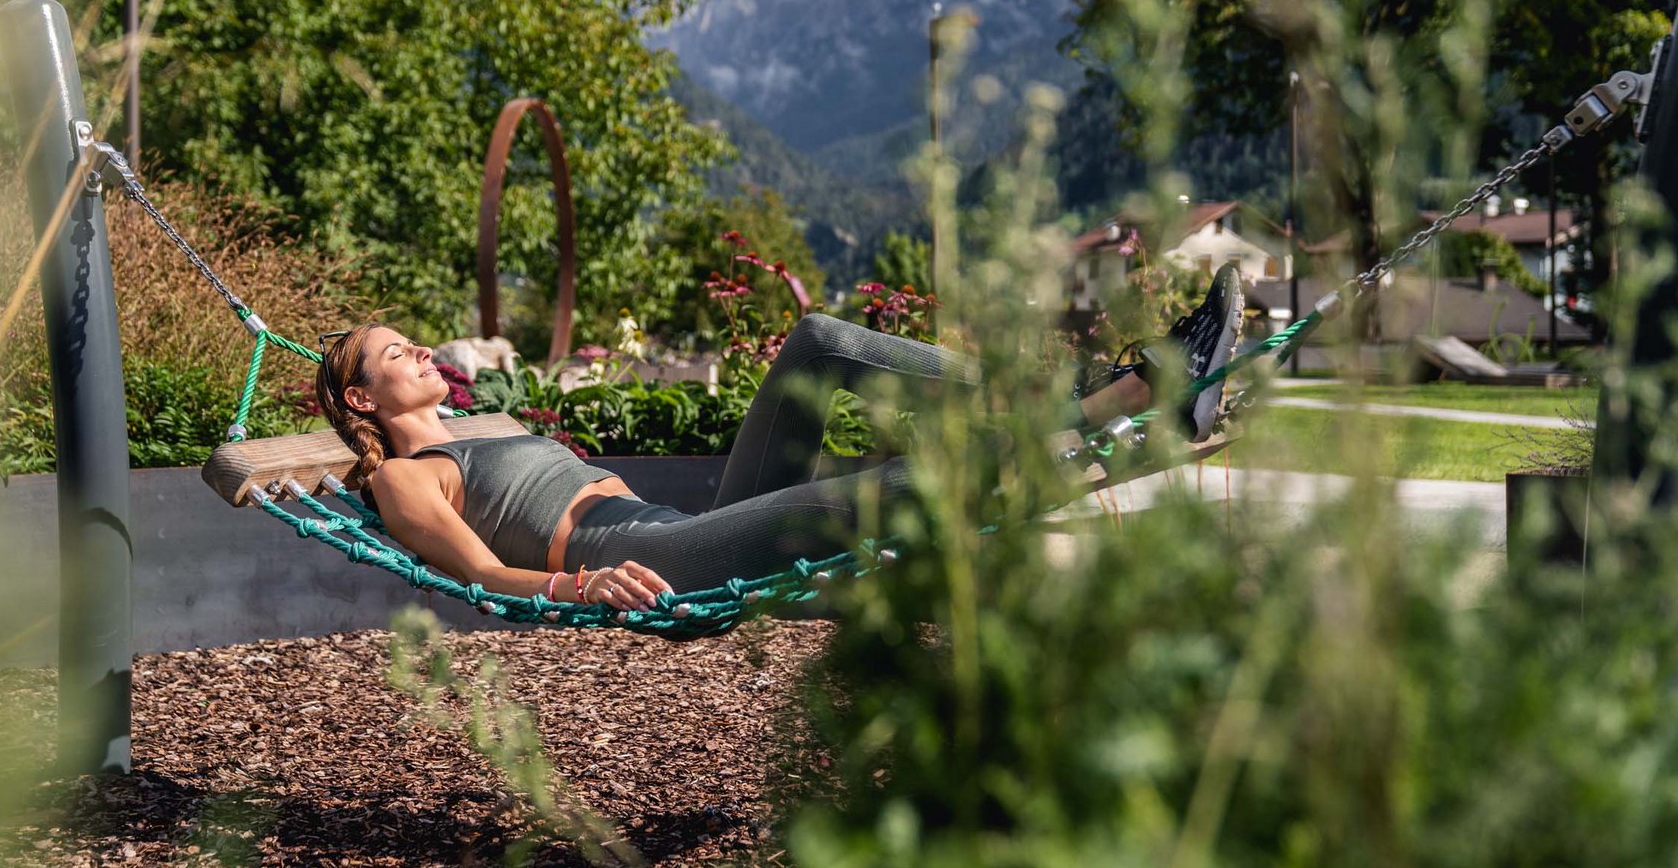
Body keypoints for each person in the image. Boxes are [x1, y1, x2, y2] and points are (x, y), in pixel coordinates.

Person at [316, 265, 1246, 611]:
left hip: (684, 520)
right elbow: (478, 578)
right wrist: (577, 585)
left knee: (822, 343)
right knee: (887, 486)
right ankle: (1137, 409)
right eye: (399, 354)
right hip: (638, 558)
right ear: (361, 401)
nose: (424, 349)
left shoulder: (488, 423)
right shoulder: (405, 480)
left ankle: (1096, 397)